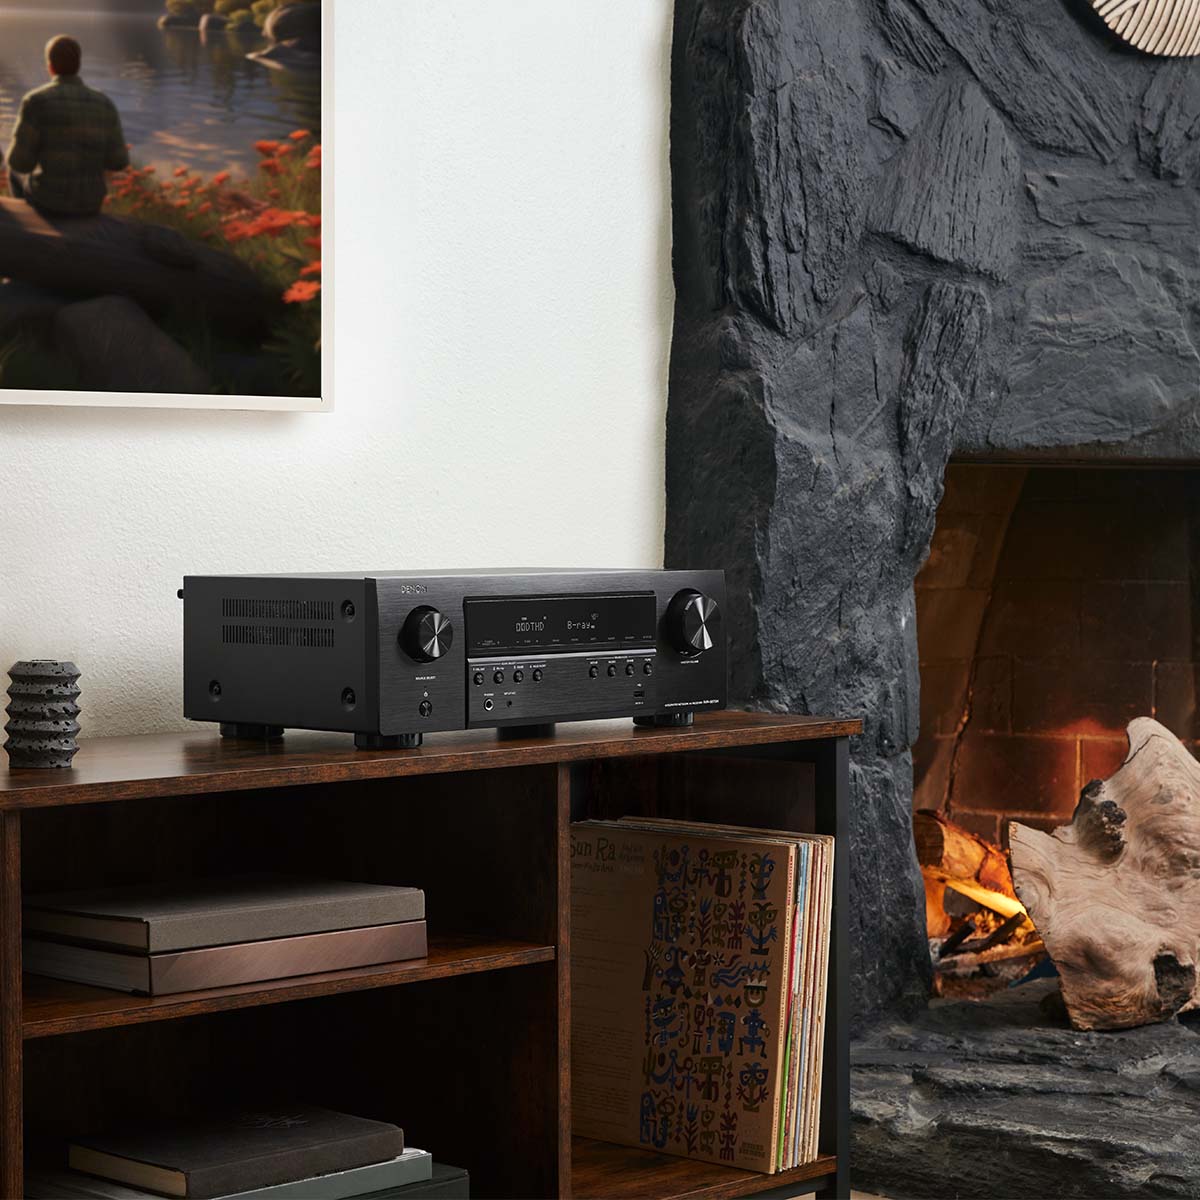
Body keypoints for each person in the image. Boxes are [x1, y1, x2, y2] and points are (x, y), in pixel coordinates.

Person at [3, 35, 130, 218]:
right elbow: (119, 162)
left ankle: (29, 222)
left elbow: (20, 163)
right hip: (91, 204)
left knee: (13, 170)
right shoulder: (104, 103)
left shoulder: (35, 101)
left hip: (48, 203)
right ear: (78, 65)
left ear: (50, 66)